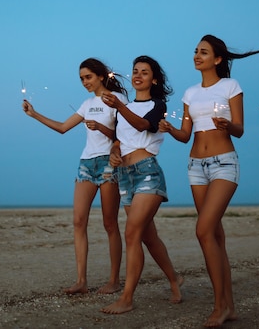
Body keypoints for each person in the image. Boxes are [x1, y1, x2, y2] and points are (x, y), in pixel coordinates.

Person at [159, 34, 259, 327]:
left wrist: (227, 125)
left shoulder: (231, 86)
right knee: (215, 237)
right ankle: (229, 307)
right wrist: (170, 129)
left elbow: (240, 129)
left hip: (224, 164)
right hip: (196, 166)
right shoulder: (190, 93)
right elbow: (185, 136)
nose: (197, 56)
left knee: (203, 230)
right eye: (195, 51)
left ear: (218, 59)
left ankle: (219, 305)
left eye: (203, 52)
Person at [22, 58, 127, 295]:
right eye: (81, 78)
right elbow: (62, 127)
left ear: (101, 76)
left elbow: (124, 135)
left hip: (109, 164)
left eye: (88, 77)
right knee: (79, 221)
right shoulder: (87, 103)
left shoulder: (117, 100)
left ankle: (114, 280)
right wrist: (34, 114)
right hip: (86, 164)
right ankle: (81, 281)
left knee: (110, 223)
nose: (84, 82)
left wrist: (101, 128)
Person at [100, 55, 183, 314]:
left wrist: (119, 106)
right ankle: (174, 278)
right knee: (148, 237)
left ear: (153, 79)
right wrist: (114, 151)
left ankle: (126, 298)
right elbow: (119, 139)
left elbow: (143, 125)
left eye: (144, 72)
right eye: (135, 71)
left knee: (132, 234)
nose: (137, 75)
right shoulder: (124, 109)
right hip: (124, 177)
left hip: (147, 174)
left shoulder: (158, 105)